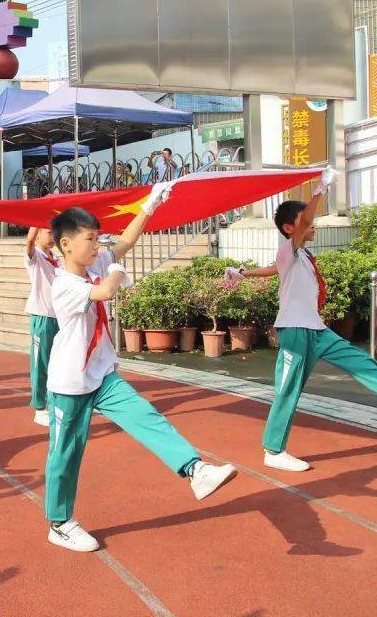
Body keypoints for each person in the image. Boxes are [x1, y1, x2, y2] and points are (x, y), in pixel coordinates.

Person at [221, 169, 377, 472]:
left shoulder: (298, 256)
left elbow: (274, 270)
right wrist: (320, 188)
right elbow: (297, 235)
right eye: (304, 222)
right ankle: (273, 450)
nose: (313, 226)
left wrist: (242, 273)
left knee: (362, 364)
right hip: (295, 333)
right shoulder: (289, 248)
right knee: (287, 389)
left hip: (317, 331)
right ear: (289, 227)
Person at [43, 184, 237, 553]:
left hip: (101, 374)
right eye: (90, 240)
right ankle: (60, 521)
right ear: (66, 244)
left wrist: (149, 206)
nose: (97, 246)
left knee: (147, 417)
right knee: (65, 454)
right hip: (69, 381)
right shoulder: (64, 283)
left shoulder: (95, 262)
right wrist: (115, 272)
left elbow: (126, 243)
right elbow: (104, 293)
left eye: (98, 239)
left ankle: (196, 470)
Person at [24, 226, 59, 428]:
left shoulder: (56, 257)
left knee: (59, 362)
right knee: (40, 363)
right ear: (37, 235)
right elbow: (28, 243)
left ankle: (56, 401)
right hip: (42, 316)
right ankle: (39, 407)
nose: (52, 236)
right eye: (48, 232)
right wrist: (35, 220)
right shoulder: (34, 255)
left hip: (59, 316)